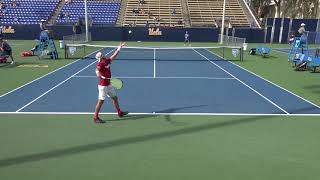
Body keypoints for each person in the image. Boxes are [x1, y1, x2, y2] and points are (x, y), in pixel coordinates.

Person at [94, 42, 128, 123]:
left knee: (115, 98)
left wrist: (119, 48)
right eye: (102, 54)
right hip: (103, 86)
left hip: (109, 84)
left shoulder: (106, 61)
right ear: (101, 57)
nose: (104, 54)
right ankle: (95, 117)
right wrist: (100, 76)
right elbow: (96, 70)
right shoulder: (100, 64)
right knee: (101, 101)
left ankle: (119, 112)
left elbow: (113, 56)